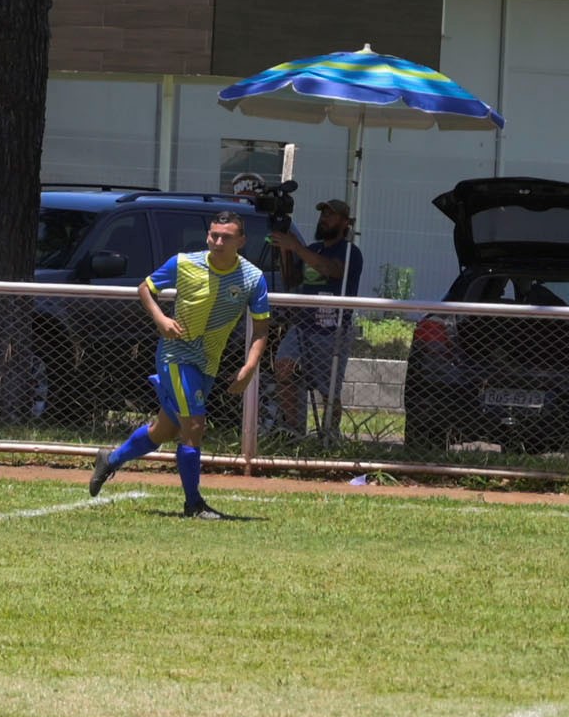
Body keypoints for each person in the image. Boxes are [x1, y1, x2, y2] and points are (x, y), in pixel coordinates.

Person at [88, 206, 271, 517]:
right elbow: (145, 288)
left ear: (241, 241)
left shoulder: (253, 279)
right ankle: (193, 504)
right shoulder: (184, 263)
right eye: (214, 235)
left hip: (208, 362)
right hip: (176, 355)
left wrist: (249, 367)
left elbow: (262, 329)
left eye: (226, 237)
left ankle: (111, 459)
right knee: (194, 425)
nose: (218, 241)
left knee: (162, 430)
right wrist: (161, 320)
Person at [266, 196, 367, 436]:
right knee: (283, 367)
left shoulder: (351, 252)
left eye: (331, 215)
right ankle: (293, 428)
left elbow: (330, 270)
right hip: (303, 326)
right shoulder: (312, 249)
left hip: (332, 329)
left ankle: (330, 434)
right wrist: (285, 252)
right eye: (323, 214)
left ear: (345, 223)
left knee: (328, 389)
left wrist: (296, 247)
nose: (324, 219)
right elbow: (292, 281)